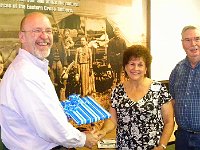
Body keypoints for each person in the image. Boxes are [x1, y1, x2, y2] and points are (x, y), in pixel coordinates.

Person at [0, 12, 98, 150]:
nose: (44, 36)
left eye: (48, 31)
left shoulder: (32, 67)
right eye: (37, 30)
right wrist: (83, 139)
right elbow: (49, 127)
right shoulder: (25, 75)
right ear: (22, 37)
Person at [96, 45, 174, 149]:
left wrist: (162, 145)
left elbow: (169, 121)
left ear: (146, 68)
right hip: (124, 147)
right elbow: (112, 119)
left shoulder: (158, 89)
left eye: (140, 65)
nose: (135, 68)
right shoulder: (118, 91)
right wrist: (103, 131)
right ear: (125, 67)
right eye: (132, 64)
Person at [169, 25, 200, 150]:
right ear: (182, 44)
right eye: (187, 40)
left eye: (197, 39)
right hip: (182, 136)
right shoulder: (178, 69)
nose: (193, 44)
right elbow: (172, 100)